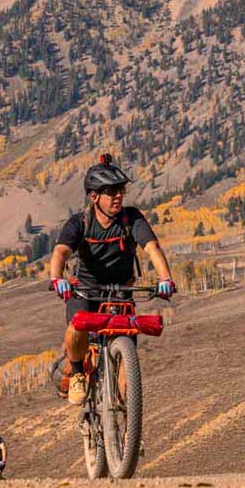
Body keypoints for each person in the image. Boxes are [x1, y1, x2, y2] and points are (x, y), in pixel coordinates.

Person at [48, 155, 176, 406]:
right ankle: (76, 373)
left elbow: (152, 248)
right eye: (111, 191)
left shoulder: (131, 219)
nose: (118, 196)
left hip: (120, 292)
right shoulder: (80, 223)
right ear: (94, 196)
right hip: (85, 291)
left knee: (127, 384)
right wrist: (57, 278)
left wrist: (166, 278)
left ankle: (128, 433)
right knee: (76, 327)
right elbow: (61, 252)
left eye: (121, 190)